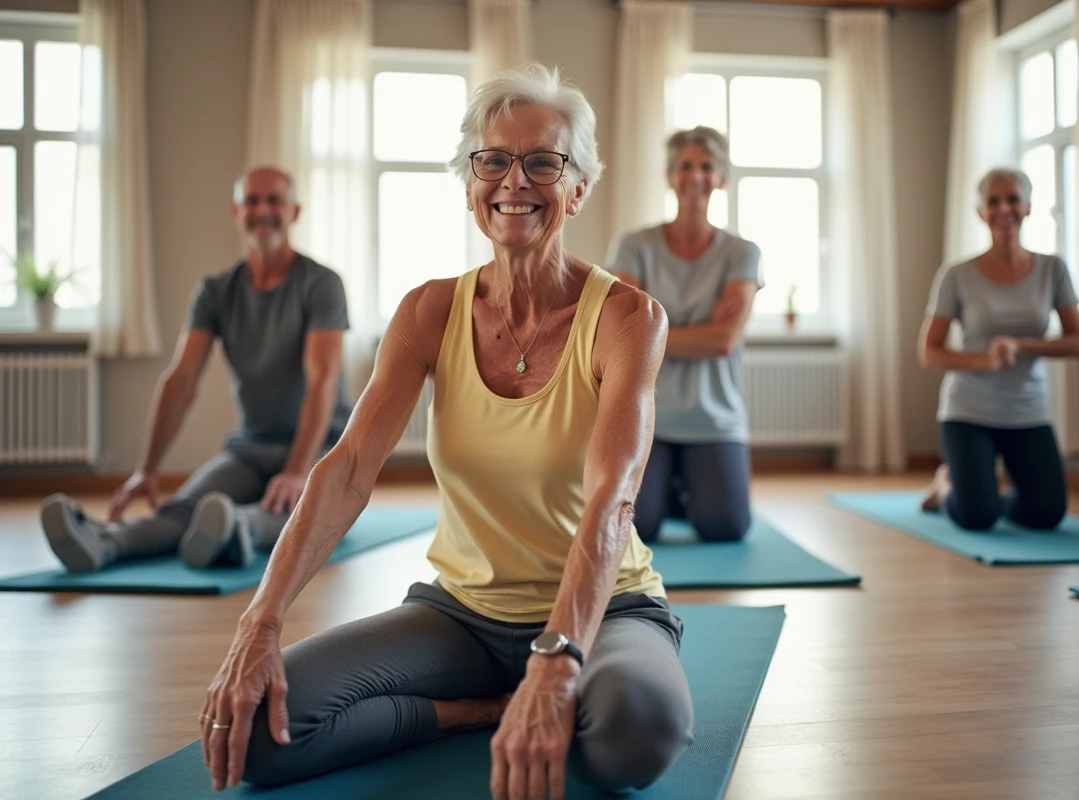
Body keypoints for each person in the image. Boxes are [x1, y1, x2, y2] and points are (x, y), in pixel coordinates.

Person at [198, 64, 694, 799]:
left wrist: (557, 660)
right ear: (470, 185)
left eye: (543, 162)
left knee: (638, 732)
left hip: (606, 611)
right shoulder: (429, 312)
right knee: (260, 731)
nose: (514, 180)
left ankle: (559, 689)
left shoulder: (627, 318)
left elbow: (613, 499)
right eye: (493, 160)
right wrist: (260, 622)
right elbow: (349, 468)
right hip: (462, 616)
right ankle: (475, 712)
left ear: (578, 187)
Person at [39, 167, 351, 571]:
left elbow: (321, 380)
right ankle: (103, 541)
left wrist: (295, 470)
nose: (263, 210)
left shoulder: (322, 284)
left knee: (298, 507)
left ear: (294, 211)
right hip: (251, 449)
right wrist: (147, 470)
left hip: (322, 450)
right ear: (236, 211)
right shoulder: (215, 291)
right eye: (252, 201)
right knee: (187, 508)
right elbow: (181, 380)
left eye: (274, 200)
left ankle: (239, 527)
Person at [607, 126, 761, 544]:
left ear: (721, 177)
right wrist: (700, 330)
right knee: (638, 527)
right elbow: (623, 333)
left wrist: (653, 328)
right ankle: (674, 489)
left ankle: (685, 487)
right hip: (646, 415)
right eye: (685, 166)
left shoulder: (742, 253)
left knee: (725, 527)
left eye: (706, 167)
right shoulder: (633, 246)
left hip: (715, 419)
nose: (695, 176)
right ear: (670, 177)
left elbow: (722, 341)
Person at [918, 167, 1079, 531]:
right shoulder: (956, 275)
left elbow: (1077, 342)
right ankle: (946, 486)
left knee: (1046, 514)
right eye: (993, 201)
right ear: (981, 212)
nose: (1004, 208)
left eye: (1013, 199)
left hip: (1028, 412)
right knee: (978, 516)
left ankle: (990, 497)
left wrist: (1020, 345)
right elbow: (929, 353)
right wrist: (986, 360)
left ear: (1028, 207)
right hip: (968, 411)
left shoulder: (1053, 269)